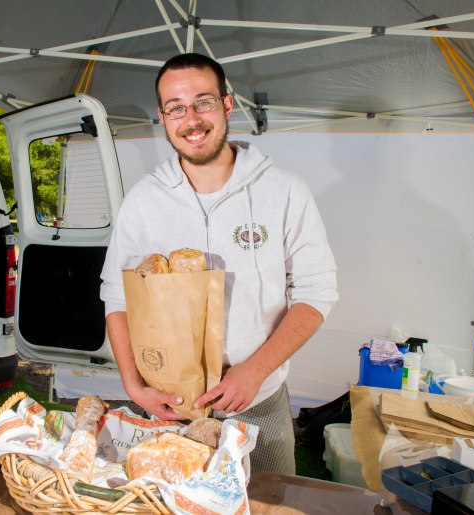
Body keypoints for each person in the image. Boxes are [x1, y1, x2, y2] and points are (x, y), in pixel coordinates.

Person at [100, 53, 338, 474]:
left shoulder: (283, 192)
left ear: (228, 105)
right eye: (176, 107)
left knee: (268, 503)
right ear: (162, 116)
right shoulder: (143, 202)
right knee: (170, 502)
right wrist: (134, 386)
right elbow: (117, 296)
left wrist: (254, 371)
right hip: (171, 405)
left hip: (259, 404)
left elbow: (317, 293)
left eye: (203, 102)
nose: (190, 118)